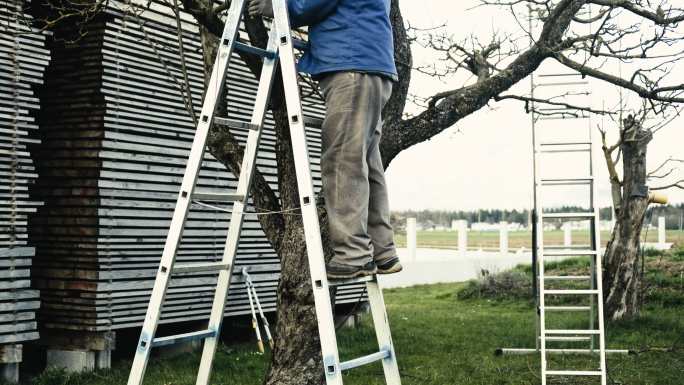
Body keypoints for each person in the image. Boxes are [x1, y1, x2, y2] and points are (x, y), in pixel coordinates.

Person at [249, 0, 402, 279]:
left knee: (343, 161)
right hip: (369, 65)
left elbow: (310, 4)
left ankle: (353, 255)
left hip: (352, 66)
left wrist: (275, 6)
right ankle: (383, 251)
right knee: (365, 162)